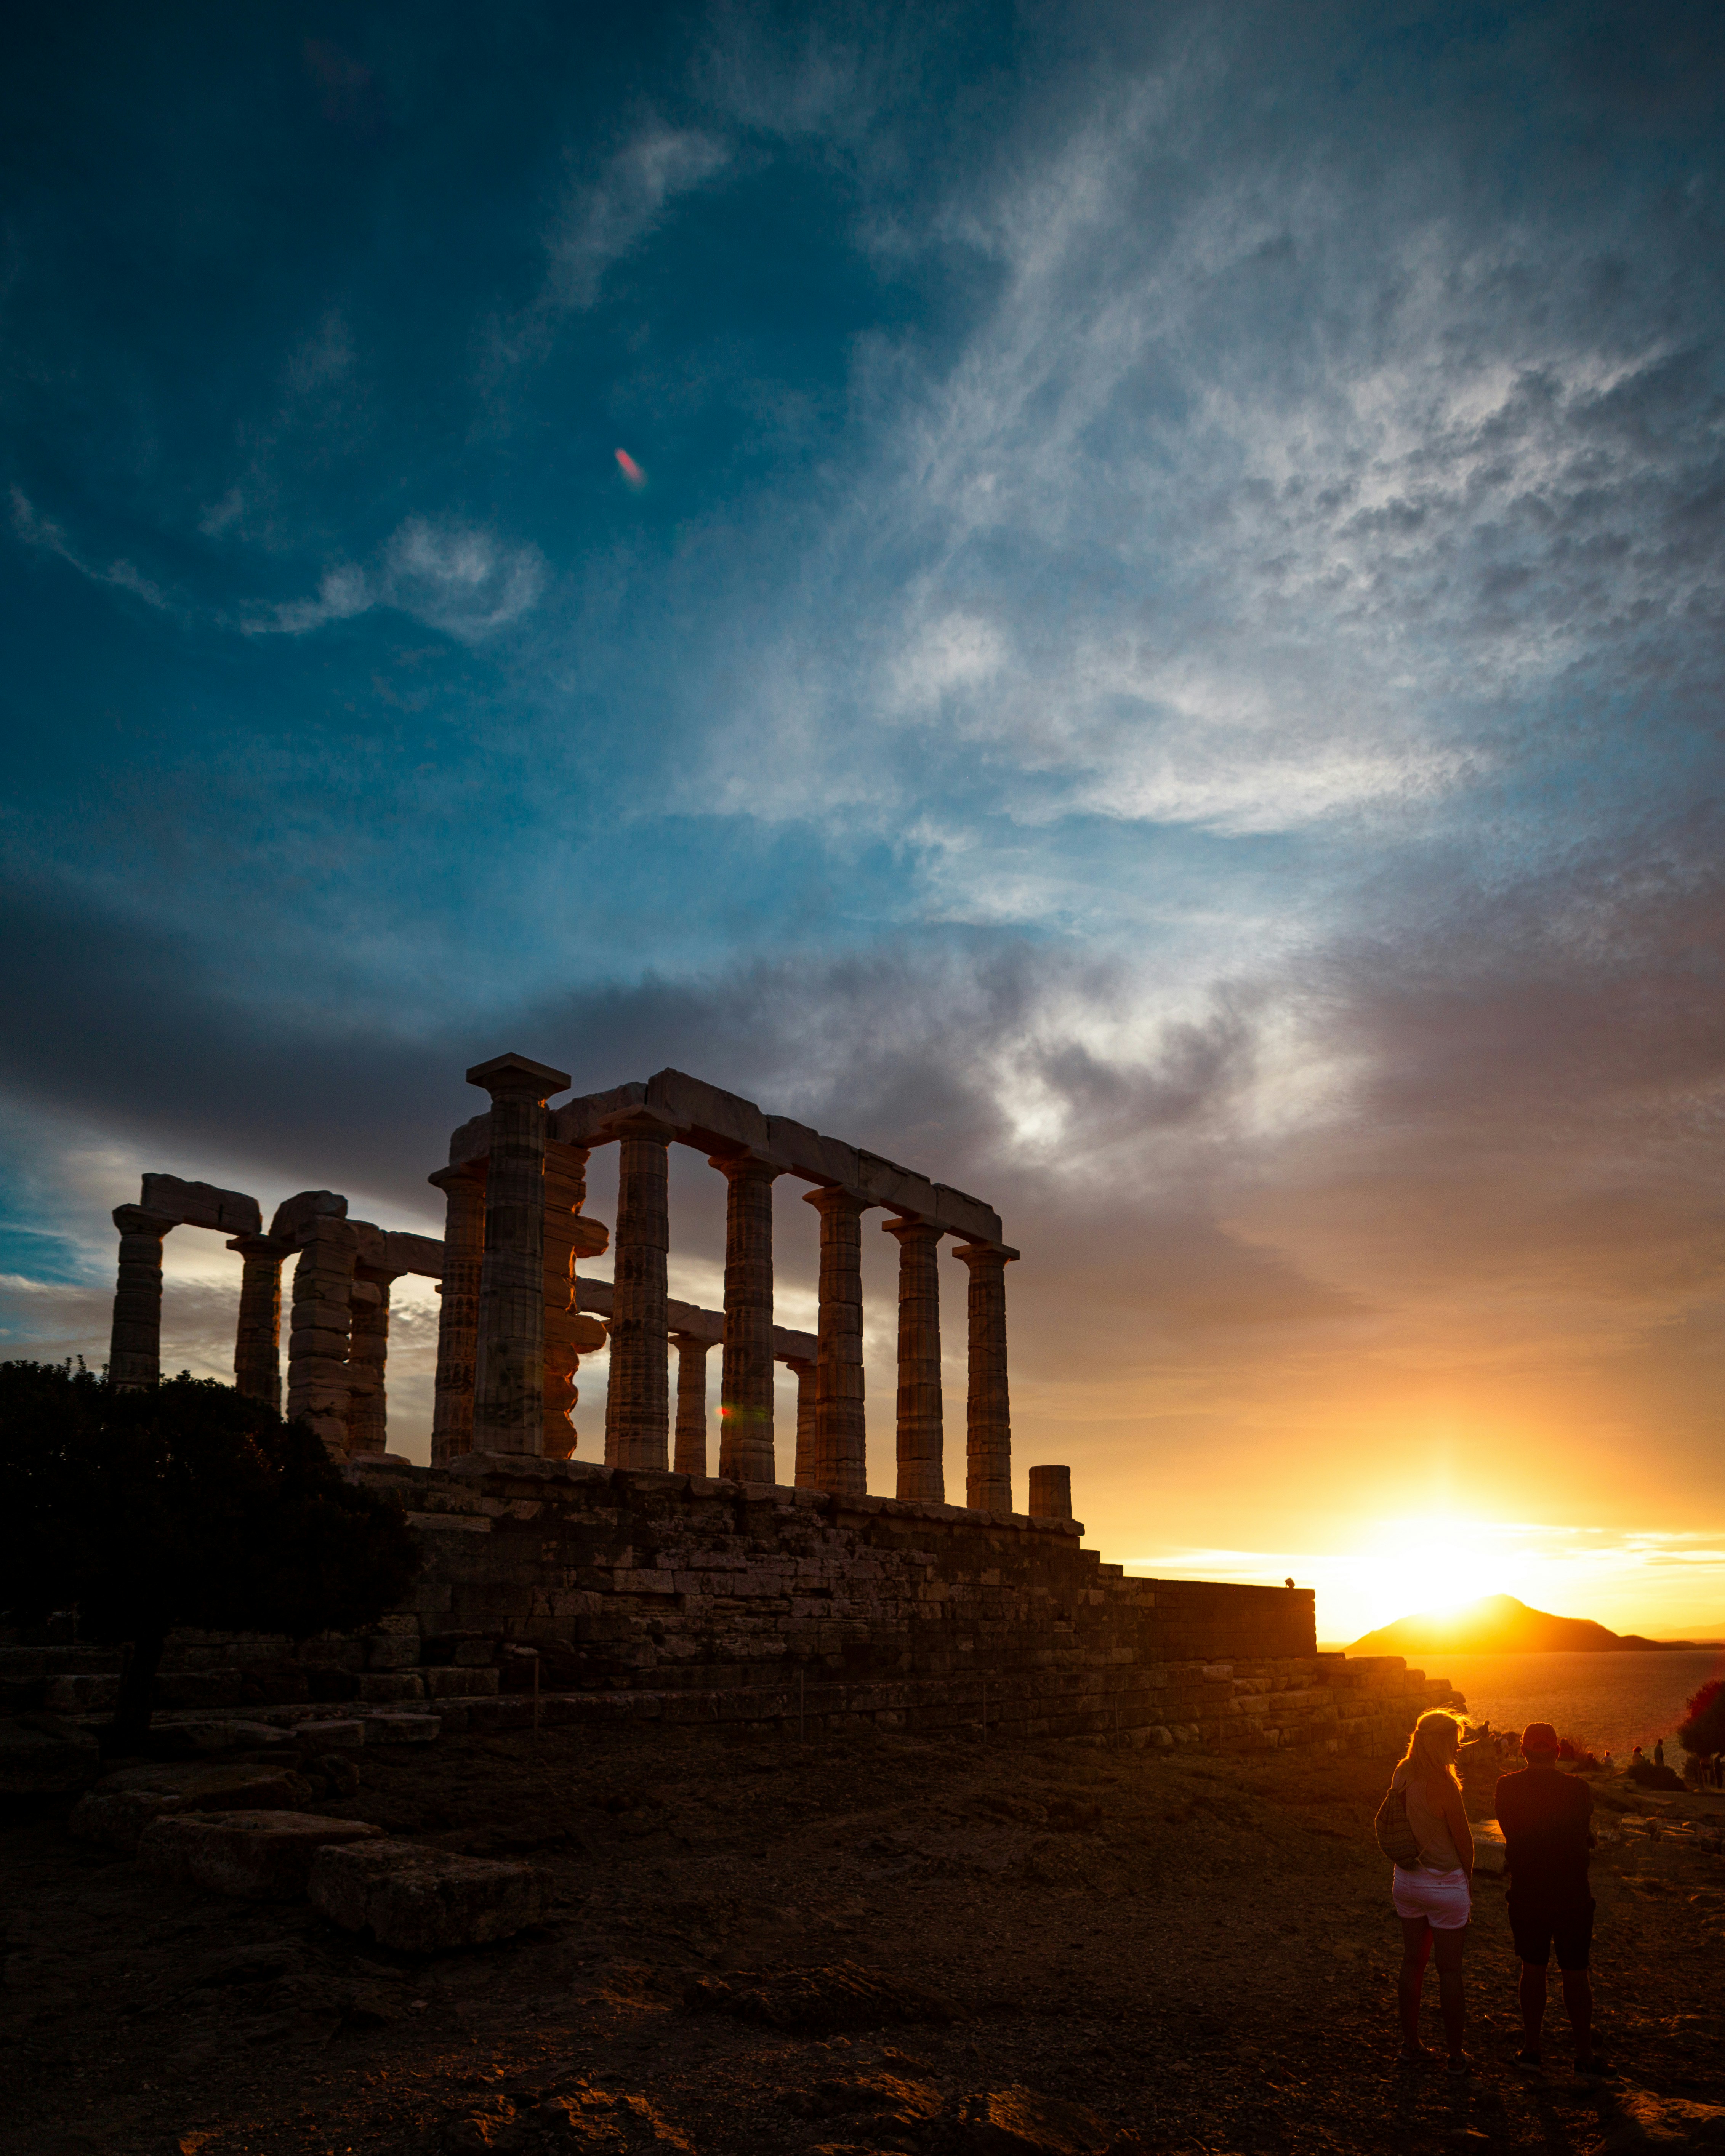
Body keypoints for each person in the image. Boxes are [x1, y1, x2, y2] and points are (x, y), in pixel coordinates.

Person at [1495, 1722, 1602, 2075]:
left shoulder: (1506, 1787)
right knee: (1576, 1972)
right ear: (1558, 1751)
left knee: (1533, 1968)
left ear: (1522, 1751)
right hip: (1572, 1893)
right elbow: (1581, 1831)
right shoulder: (1578, 1789)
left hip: (1528, 1893)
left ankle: (1531, 2050)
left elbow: (1513, 1832)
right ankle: (1584, 2056)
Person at [1389, 1708, 1475, 2074]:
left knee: (1412, 1963)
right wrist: (1465, 1885)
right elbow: (1465, 1844)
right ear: (1442, 1743)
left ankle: (1411, 2046)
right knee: (1449, 1971)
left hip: (1407, 1881)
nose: (1457, 1749)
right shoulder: (1445, 1784)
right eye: (1454, 1742)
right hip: (1444, 1884)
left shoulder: (1402, 1773)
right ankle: (1455, 2057)